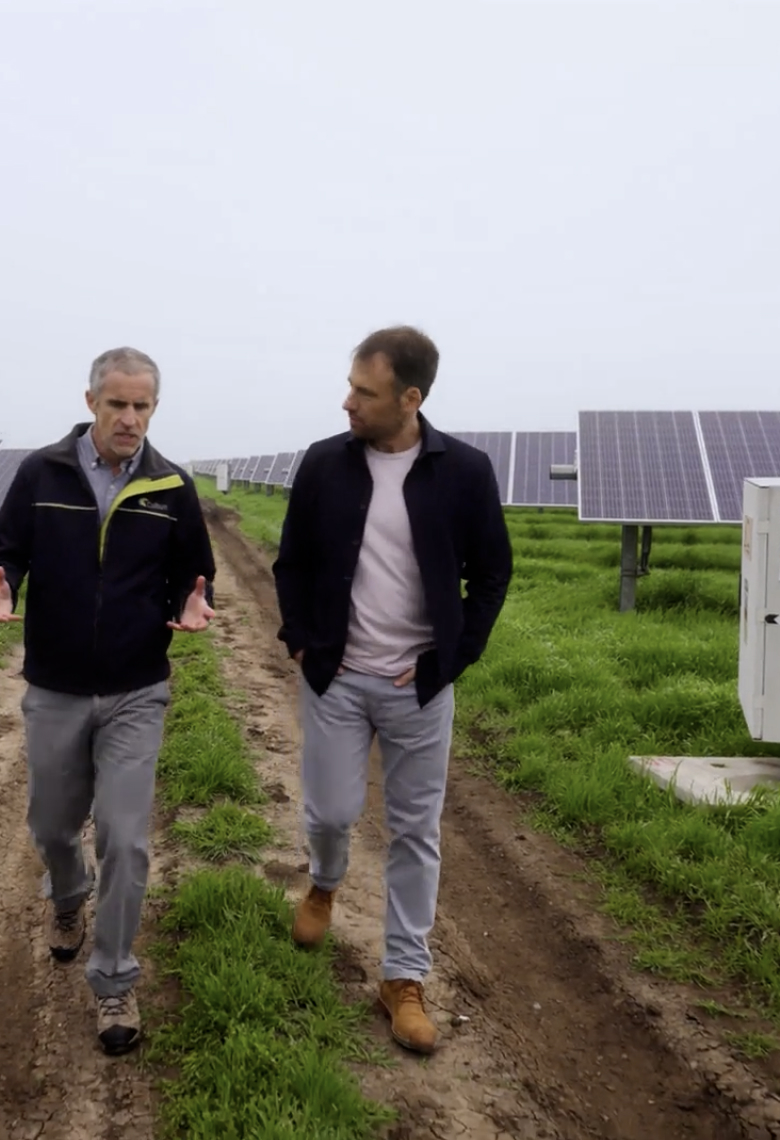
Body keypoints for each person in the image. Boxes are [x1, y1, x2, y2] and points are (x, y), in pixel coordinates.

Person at [270, 325, 514, 1054]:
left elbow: (492, 575)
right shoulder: (323, 465)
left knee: (415, 832)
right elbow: (291, 562)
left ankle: (403, 977)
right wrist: (304, 642)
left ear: (411, 398)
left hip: (420, 689)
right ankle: (324, 881)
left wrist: (450, 659)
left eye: (364, 392)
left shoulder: (465, 473)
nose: (348, 402)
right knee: (332, 811)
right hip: (337, 679)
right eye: (350, 386)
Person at [0, 345, 217, 1056]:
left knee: (126, 837)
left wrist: (194, 601)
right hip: (54, 686)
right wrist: (1, 581)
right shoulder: (41, 473)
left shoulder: (170, 486)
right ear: (91, 404)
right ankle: (68, 893)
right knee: (53, 827)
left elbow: (193, 572)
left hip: (137, 690)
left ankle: (113, 978)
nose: (131, 419)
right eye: (118, 404)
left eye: (143, 406)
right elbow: (3, 549)